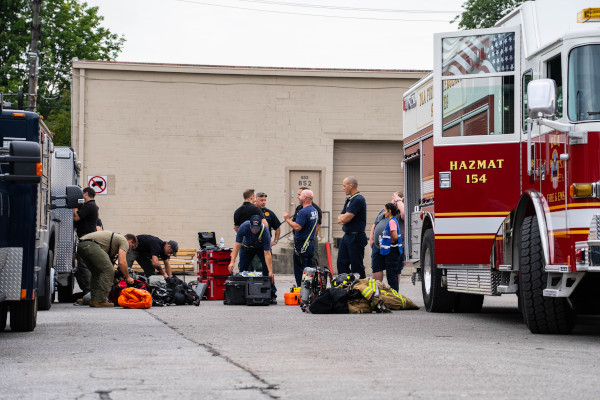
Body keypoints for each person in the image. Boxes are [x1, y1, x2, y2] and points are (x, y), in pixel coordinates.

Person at [76, 231, 137, 307]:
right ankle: (100, 301)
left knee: (97, 272)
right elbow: (122, 262)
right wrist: (128, 277)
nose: (129, 249)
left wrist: (113, 278)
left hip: (82, 245)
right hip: (91, 245)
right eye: (132, 246)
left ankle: (94, 299)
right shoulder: (124, 241)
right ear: (130, 241)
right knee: (108, 270)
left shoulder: (113, 242)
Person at [228, 215, 277, 303]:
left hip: (261, 248)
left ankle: (271, 294)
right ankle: (242, 293)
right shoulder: (243, 227)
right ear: (250, 225)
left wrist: (270, 271)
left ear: (260, 225)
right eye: (253, 228)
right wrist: (232, 262)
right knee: (242, 269)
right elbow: (236, 246)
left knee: (267, 271)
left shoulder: (265, 231)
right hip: (247, 248)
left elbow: (267, 253)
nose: (255, 230)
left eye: (256, 228)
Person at [284, 189, 319, 286]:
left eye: (300, 195)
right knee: (309, 270)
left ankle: (301, 290)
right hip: (310, 243)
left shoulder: (303, 211)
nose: (298, 197)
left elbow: (297, 227)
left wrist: (287, 219)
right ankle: (309, 291)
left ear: (305, 198)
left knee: (300, 269)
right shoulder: (314, 210)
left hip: (302, 244)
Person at [369, 191, 404, 285]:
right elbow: (375, 223)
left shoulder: (400, 211)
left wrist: (399, 200)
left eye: (395, 198)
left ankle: (393, 293)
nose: (393, 200)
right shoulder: (384, 210)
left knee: (393, 271)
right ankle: (377, 292)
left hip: (392, 247)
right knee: (376, 268)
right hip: (378, 244)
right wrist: (371, 239)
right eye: (393, 198)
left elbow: (404, 214)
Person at [337, 176, 367, 278]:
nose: (343, 188)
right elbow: (340, 217)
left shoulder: (358, 199)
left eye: (344, 186)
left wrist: (343, 218)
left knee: (356, 266)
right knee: (341, 263)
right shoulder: (350, 200)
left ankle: (359, 290)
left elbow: (345, 219)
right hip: (347, 236)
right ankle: (346, 287)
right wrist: (343, 218)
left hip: (356, 237)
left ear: (351, 186)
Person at [73, 187, 100, 296]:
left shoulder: (90, 206)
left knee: (83, 265)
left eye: (82, 194)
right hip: (85, 237)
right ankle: (87, 290)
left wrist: (74, 204)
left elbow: (76, 218)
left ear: (86, 194)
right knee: (80, 267)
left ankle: (89, 291)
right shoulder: (90, 206)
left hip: (86, 237)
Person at [292, 187, 322, 266]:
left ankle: (313, 277)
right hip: (299, 239)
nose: (298, 196)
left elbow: (317, 224)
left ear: (305, 196)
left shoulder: (315, 209)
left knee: (312, 261)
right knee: (300, 262)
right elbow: (295, 221)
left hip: (308, 239)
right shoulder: (299, 208)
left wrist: (310, 236)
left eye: (299, 194)